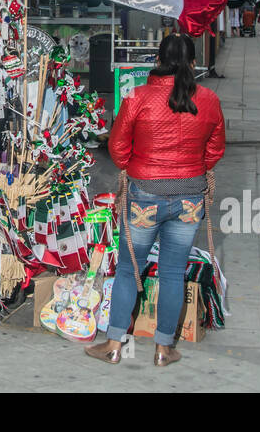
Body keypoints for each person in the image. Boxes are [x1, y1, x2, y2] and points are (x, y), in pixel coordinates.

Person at [87, 33, 224, 367]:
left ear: (158, 61)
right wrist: (193, 170)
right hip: (190, 197)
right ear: (194, 63)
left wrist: (136, 165)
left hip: (144, 194)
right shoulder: (209, 100)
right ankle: (164, 348)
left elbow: (117, 148)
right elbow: (215, 149)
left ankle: (115, 344)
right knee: (173, 273)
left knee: (128, 271)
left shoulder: (138, 97)